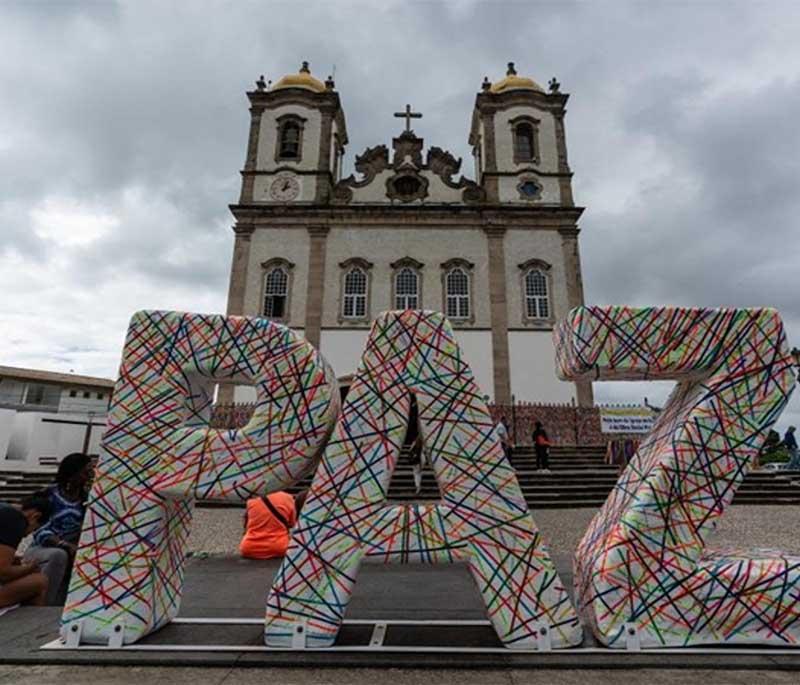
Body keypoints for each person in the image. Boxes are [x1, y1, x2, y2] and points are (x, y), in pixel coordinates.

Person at [23, 452, 93, 605]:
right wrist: (65, 545)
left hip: (72, 549)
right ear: (73, 472)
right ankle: (44, 607)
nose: (89, 476)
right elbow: (40, 531)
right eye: (85, 472)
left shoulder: (85, 499)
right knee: (59, 555)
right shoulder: (49, 495)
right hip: (43, 548)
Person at [0, 493, 52, 609]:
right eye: (35, 529)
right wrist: (30, 567)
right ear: (35, 516)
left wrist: (12, 561)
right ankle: (33, 624)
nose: (27, 535)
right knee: (40, 580)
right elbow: (3, 573)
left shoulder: (4, 510)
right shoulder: (15, 519)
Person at [239, 490, 299, 560]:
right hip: (279, 547)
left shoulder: (252, 499)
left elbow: (247, 524)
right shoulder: (288, 498)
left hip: (249, 548)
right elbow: (292, 523)